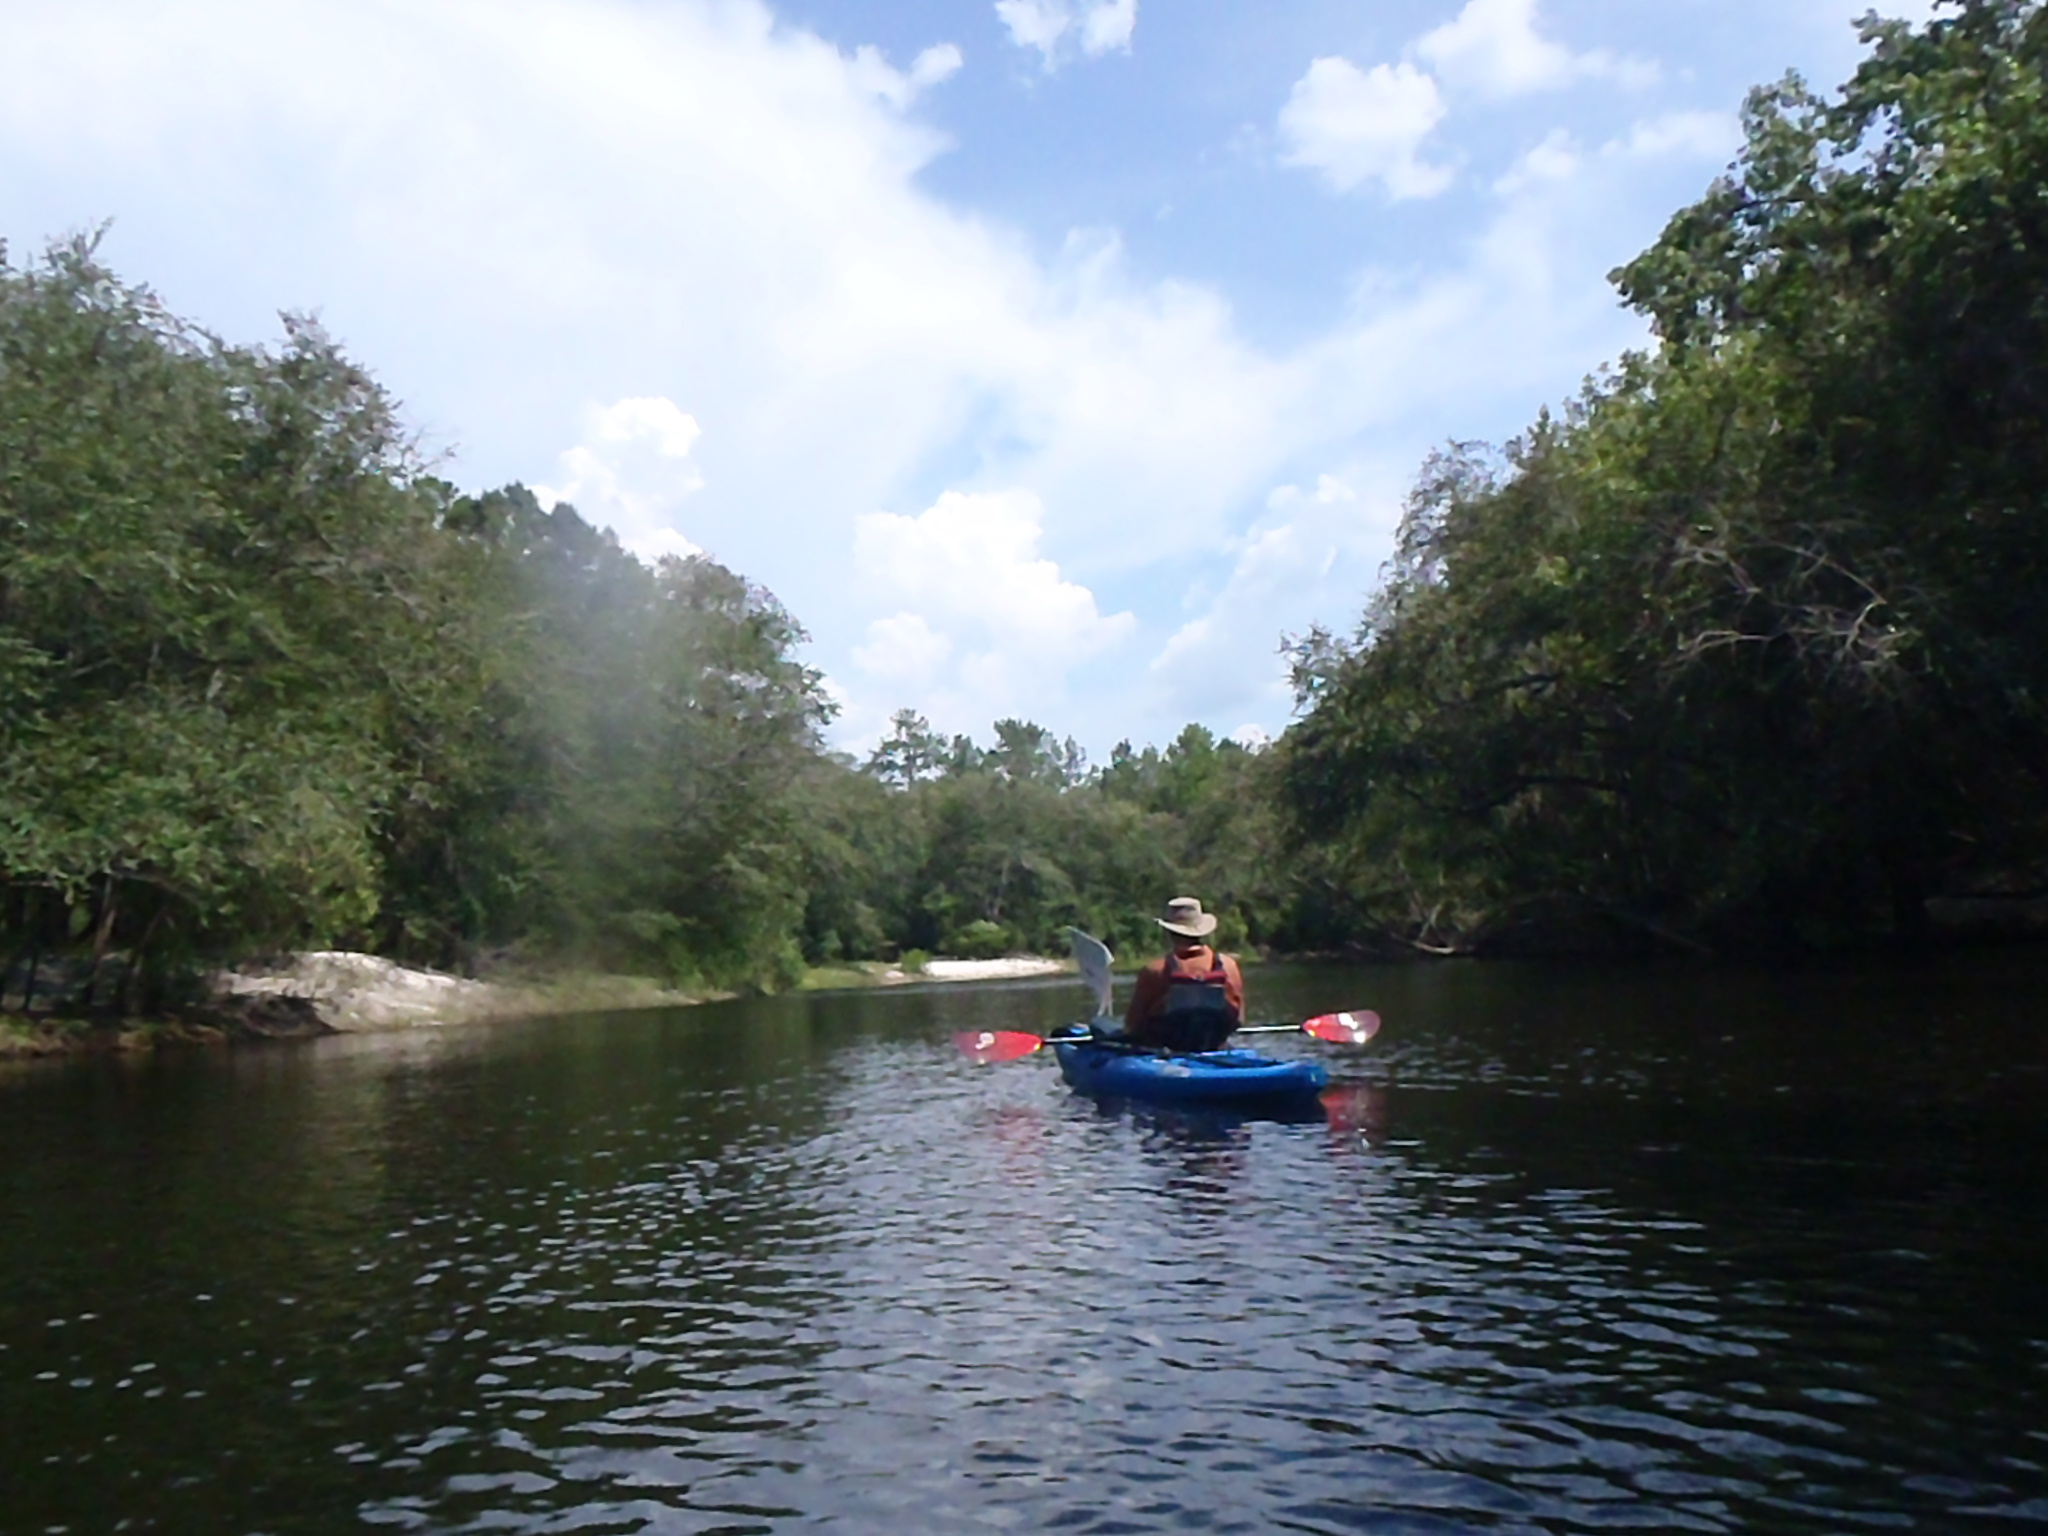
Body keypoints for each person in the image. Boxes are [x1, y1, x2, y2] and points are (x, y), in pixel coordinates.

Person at [1123, 896, 1245, 1052]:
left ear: (1168, 931)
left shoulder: (1154, 970)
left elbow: (1132, 1026)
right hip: (1213, 1047)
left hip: (1163, 1052)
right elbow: (1238, 1020)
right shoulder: (1229, 966)